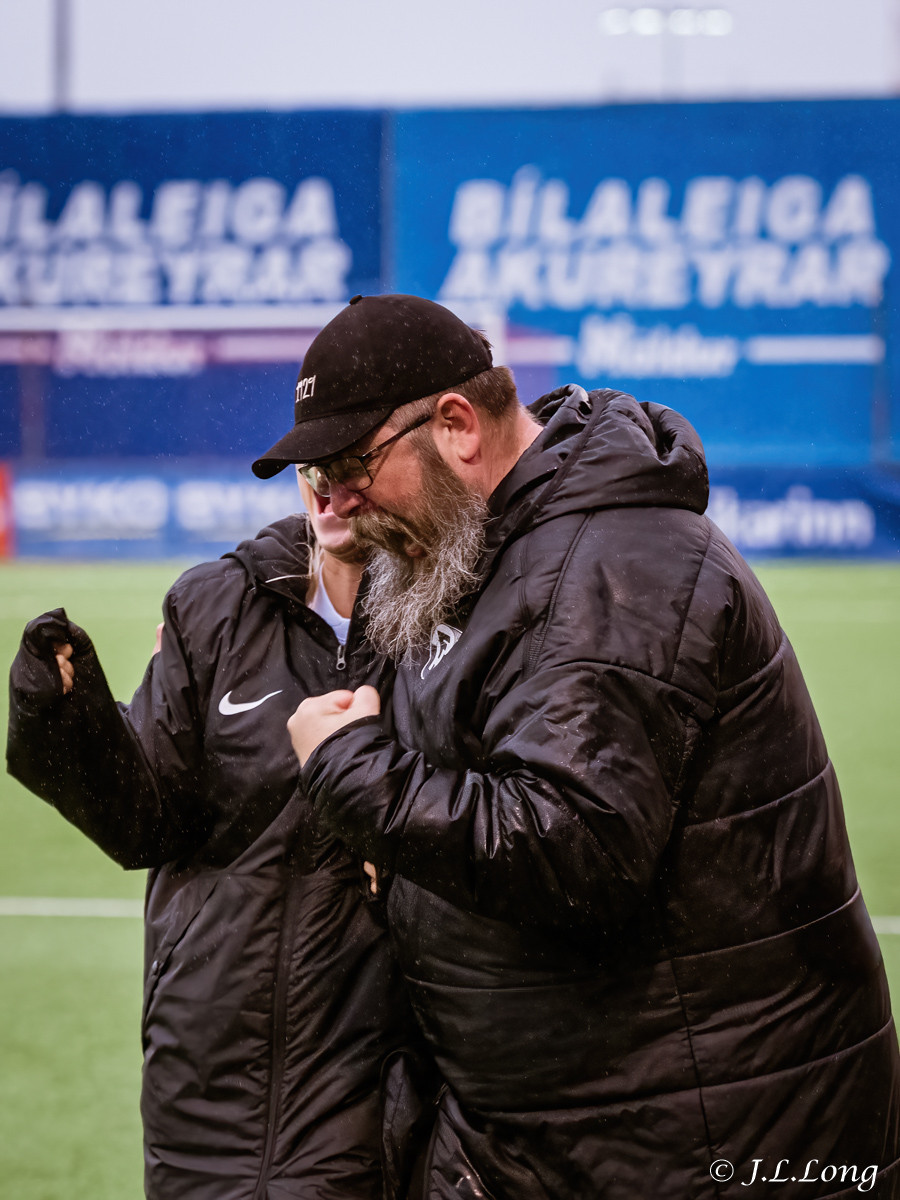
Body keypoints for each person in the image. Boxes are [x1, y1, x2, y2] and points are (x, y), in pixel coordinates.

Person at [251, 293, 900, 1199]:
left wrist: (352, 770)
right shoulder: (477, 544)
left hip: (699, 1135)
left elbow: (573, 848)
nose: (337, 499)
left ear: (456, 426)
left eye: (354, 464)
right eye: (318, 473)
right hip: (567, 1123)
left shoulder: (617, 562)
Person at [6, 472, 419, 1199]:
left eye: (354, 453)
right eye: (313, 461)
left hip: (368, 1082)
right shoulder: (216, 602)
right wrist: (66, 724)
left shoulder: (453, 618)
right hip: (201, 1077)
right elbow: (144, 822)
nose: (329, 478)